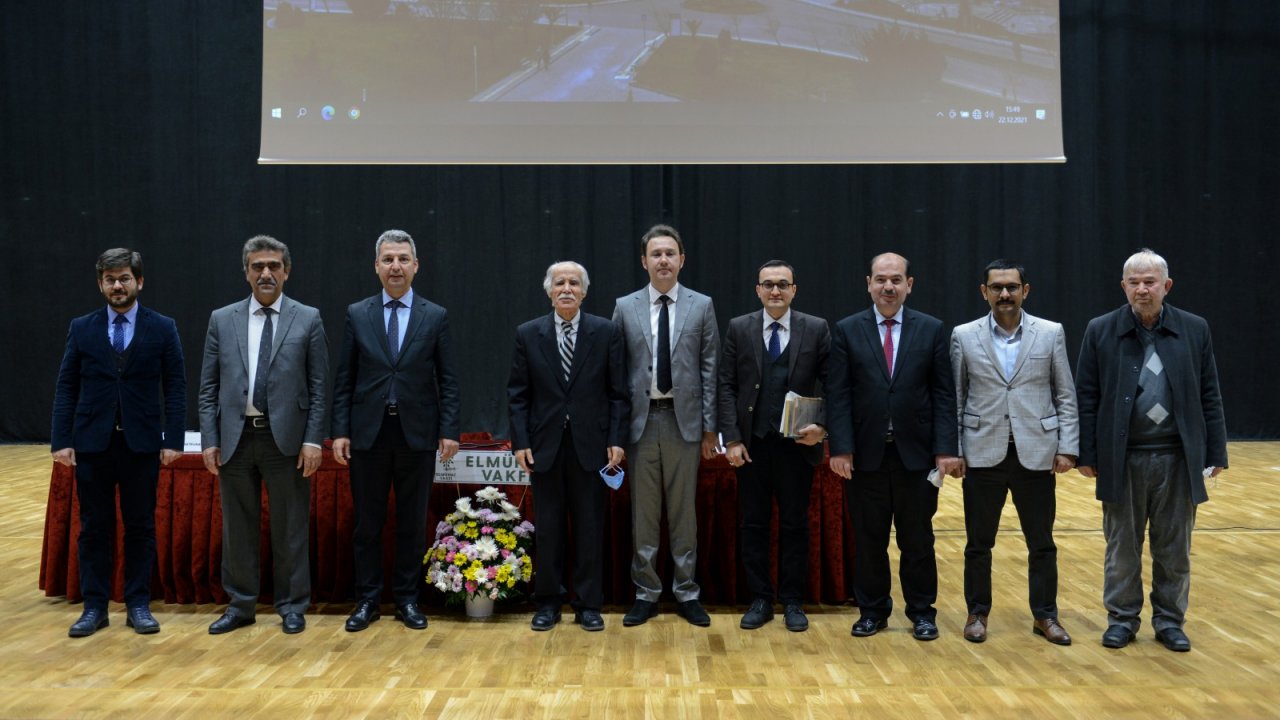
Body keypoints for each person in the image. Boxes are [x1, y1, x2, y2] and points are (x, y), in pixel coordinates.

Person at [1076, 249, 1227, 652]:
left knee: (1174, 549)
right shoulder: (1101, 329)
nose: (1142, 289)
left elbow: (1209, 393)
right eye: (1135, 282)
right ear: (1123, 286)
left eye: (1150, 282)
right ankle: (1122, 620)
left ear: (1166, 286)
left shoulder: (1195, 329)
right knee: (1122, 548)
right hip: (1121, 458)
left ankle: (1169, 621)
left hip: (1178, 458)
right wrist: (1086, 453)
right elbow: (1086, 396)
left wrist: (1216, 452)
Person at [827, 252, 961, 641]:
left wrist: (945, 449)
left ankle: (922, 612)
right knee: (869, 539)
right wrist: (840, 448)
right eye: (881, 279)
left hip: (916, 458)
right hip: (865, 456)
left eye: (896, 280)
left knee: (917, 538)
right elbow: (838, 395)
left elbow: (943, 395)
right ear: (868, 283)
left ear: (909, 285)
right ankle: (872, 611)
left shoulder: (932, 329)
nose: (888, 287)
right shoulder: (848, 330)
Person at [52, 248, 186, 638]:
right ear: (100, 284)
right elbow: (66, 385)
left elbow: (175, 386)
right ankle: (95, 607)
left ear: (139, 282)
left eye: (124, 278)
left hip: (141, 445)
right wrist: (61, 439)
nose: (117, 285)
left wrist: (173, 438)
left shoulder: (163, 327)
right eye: (110, 279)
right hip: (92, 444)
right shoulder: (82, 327)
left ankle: (138, 604)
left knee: (141, 525)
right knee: (94, 527)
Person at [331, 229, 460, 632]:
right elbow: (345, 378)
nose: (396, 266)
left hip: (417, 435)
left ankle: (407, 599)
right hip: (368, 434)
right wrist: (340, 431)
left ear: (416, 266)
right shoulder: (357, 313)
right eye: (388, 259)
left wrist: (450, 429)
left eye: (403, 259)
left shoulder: (434, 315)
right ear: (376, 267)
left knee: (410, 522)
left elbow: (449, 379)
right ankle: (367, 600)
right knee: (367, 524)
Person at [198, 235, 328, 635]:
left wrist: (312, 440)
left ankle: (292, 605)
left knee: (290, 526)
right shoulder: (222, 318)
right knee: (238, 527)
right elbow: (208, 387)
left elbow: (319, 386)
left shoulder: (308, 318)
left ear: (287, 271)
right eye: (258, 266)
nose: (266, 273)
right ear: (246, 273)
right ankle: (240, 604)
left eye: (274, 266)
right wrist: (209, 439)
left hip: (285, 441)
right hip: (236, 438)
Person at [950, 259, 1078, 645]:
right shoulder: (964, 335)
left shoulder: (1051, 333)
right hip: (982, 452)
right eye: (996, 287)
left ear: (1025, 290)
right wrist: (955, 450)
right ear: (984, 292)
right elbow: (955, 398)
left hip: (1036, 454)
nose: (1004, 294)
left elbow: (1065, 394)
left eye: (1011, 287)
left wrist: (1068, 447)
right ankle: (977, 613)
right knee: (978, 543)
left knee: (1041, 543)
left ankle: (1045, 616)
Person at [508, 261, 629, 632]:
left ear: (584, 291)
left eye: (573, 283)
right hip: (545, 448)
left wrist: (616, 439)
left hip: (591, 447)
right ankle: (547, 601)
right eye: (559, 282)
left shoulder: (605, 332)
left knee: (590, 528)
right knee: (548, 530)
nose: (566, 288)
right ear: (548, 291)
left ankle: (588, 603)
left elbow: (618, 394)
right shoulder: (528, 334)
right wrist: (521, 442)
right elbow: (518, 396)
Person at [612, 224, 720, 628]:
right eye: (655, 254)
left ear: (682, 260)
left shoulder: (702, 305)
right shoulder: (625, 306)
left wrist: (711, 429)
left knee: (682, 514)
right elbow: (616, 372)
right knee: (643, 513)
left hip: (683, 423)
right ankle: (646, 593)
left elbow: (710, 368)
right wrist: (615, 432)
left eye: (670, 253)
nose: (663, 260)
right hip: (641, 424)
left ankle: (687, 592)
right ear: (644, 261)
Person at [717, 260, 829, 632]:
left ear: (795, 289)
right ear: (758, 290)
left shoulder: (816, 328)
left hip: (797, 447)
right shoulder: (739, 328)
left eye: (783, 284)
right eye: (769, 285)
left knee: (796, 525)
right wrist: (731, 437)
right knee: (753, 524)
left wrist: (823, 427)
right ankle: (761, 598)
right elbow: (726, 385)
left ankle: (793, 600)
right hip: (753, 446)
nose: (776, 291)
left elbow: (833, 385)